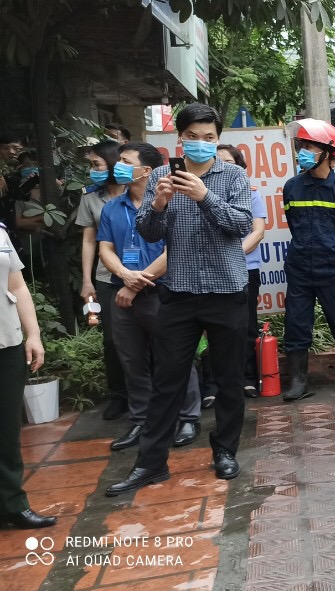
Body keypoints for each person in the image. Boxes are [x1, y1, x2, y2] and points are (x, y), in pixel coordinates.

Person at [107, 103, 255, 495]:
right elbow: (149, 232)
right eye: (193, 136)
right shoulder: (160, 175)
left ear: (218, 139)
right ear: (181, 138)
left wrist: (205, 197)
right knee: (167, 381)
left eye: (209, 137)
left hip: (226, 292)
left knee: (228, 380)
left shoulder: (234, 176)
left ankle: (225, 450)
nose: (201, 143)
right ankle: (150, 463)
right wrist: (158, 205)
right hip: (178, 293)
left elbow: (241, 225)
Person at [96, 141, 202, 452]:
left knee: (176, 355)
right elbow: (105, 249)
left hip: (163, 291)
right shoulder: (112, 207)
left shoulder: (172, 203)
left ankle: (188, 417)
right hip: (122, 294)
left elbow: (175, 251)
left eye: (125, 161)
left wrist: (135, 284)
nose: (118, 166)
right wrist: (124, 275)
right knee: (131, 360)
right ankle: (141, 419)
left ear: (147, 170)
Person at [277, 118, 335, 402]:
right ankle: (298, 382)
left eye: (309, 147)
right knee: (296, 324)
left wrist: (332, 249)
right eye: (301, 146)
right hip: (300, 268)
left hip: (334, 269)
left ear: (327, 152)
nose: (302, 152)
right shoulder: (292, 187)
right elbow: (294, 224)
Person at [0, 218, 56, 529]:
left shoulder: (0, 232)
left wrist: (33, 334)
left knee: (7, 431)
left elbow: (18, 286)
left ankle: (12, 504)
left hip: (6, 343)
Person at [76, 139, 130, 420]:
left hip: (142, 274)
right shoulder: (90, 197)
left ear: (112, 163)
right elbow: (88, 241)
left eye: (96, 164)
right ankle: (119, 395)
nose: (92, 170)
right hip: (107, 278)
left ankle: (151, 392)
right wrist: (87, 280)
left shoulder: (138, 189)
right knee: (112, 339)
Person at [216, 145, 268, 397]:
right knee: (212, 328)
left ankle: (248, 377)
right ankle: (213, 383)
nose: (222, 166)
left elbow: (257, 233)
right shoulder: (195, 194)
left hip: (245, 269)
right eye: (218, 161)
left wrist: (231, 256)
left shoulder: (250, 194)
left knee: (245, 325)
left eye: (228, 162)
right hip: (210, 272)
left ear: (240, 167)